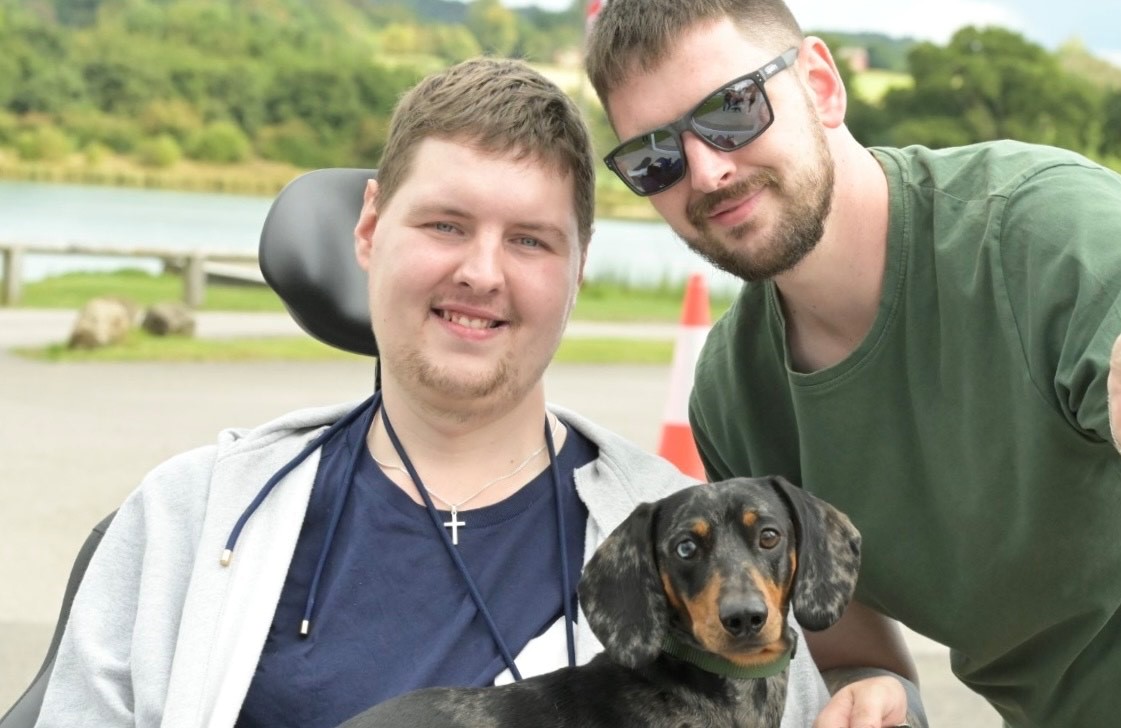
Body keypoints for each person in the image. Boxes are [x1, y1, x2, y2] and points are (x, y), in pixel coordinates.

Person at [31, 57, 915, 728]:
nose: (480, 273)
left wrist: (881, 693)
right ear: (371, 228)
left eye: (530, 241)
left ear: (578, 272)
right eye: (445, 224)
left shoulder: (669, 523)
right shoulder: (192, 515)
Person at [585, 1, 1121, 726]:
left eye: (732, 109)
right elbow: (849, 647)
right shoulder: (734, 392)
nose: (707, 170)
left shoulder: (1044, 234)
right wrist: (877, 694)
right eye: (655, 157)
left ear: (820, 84)